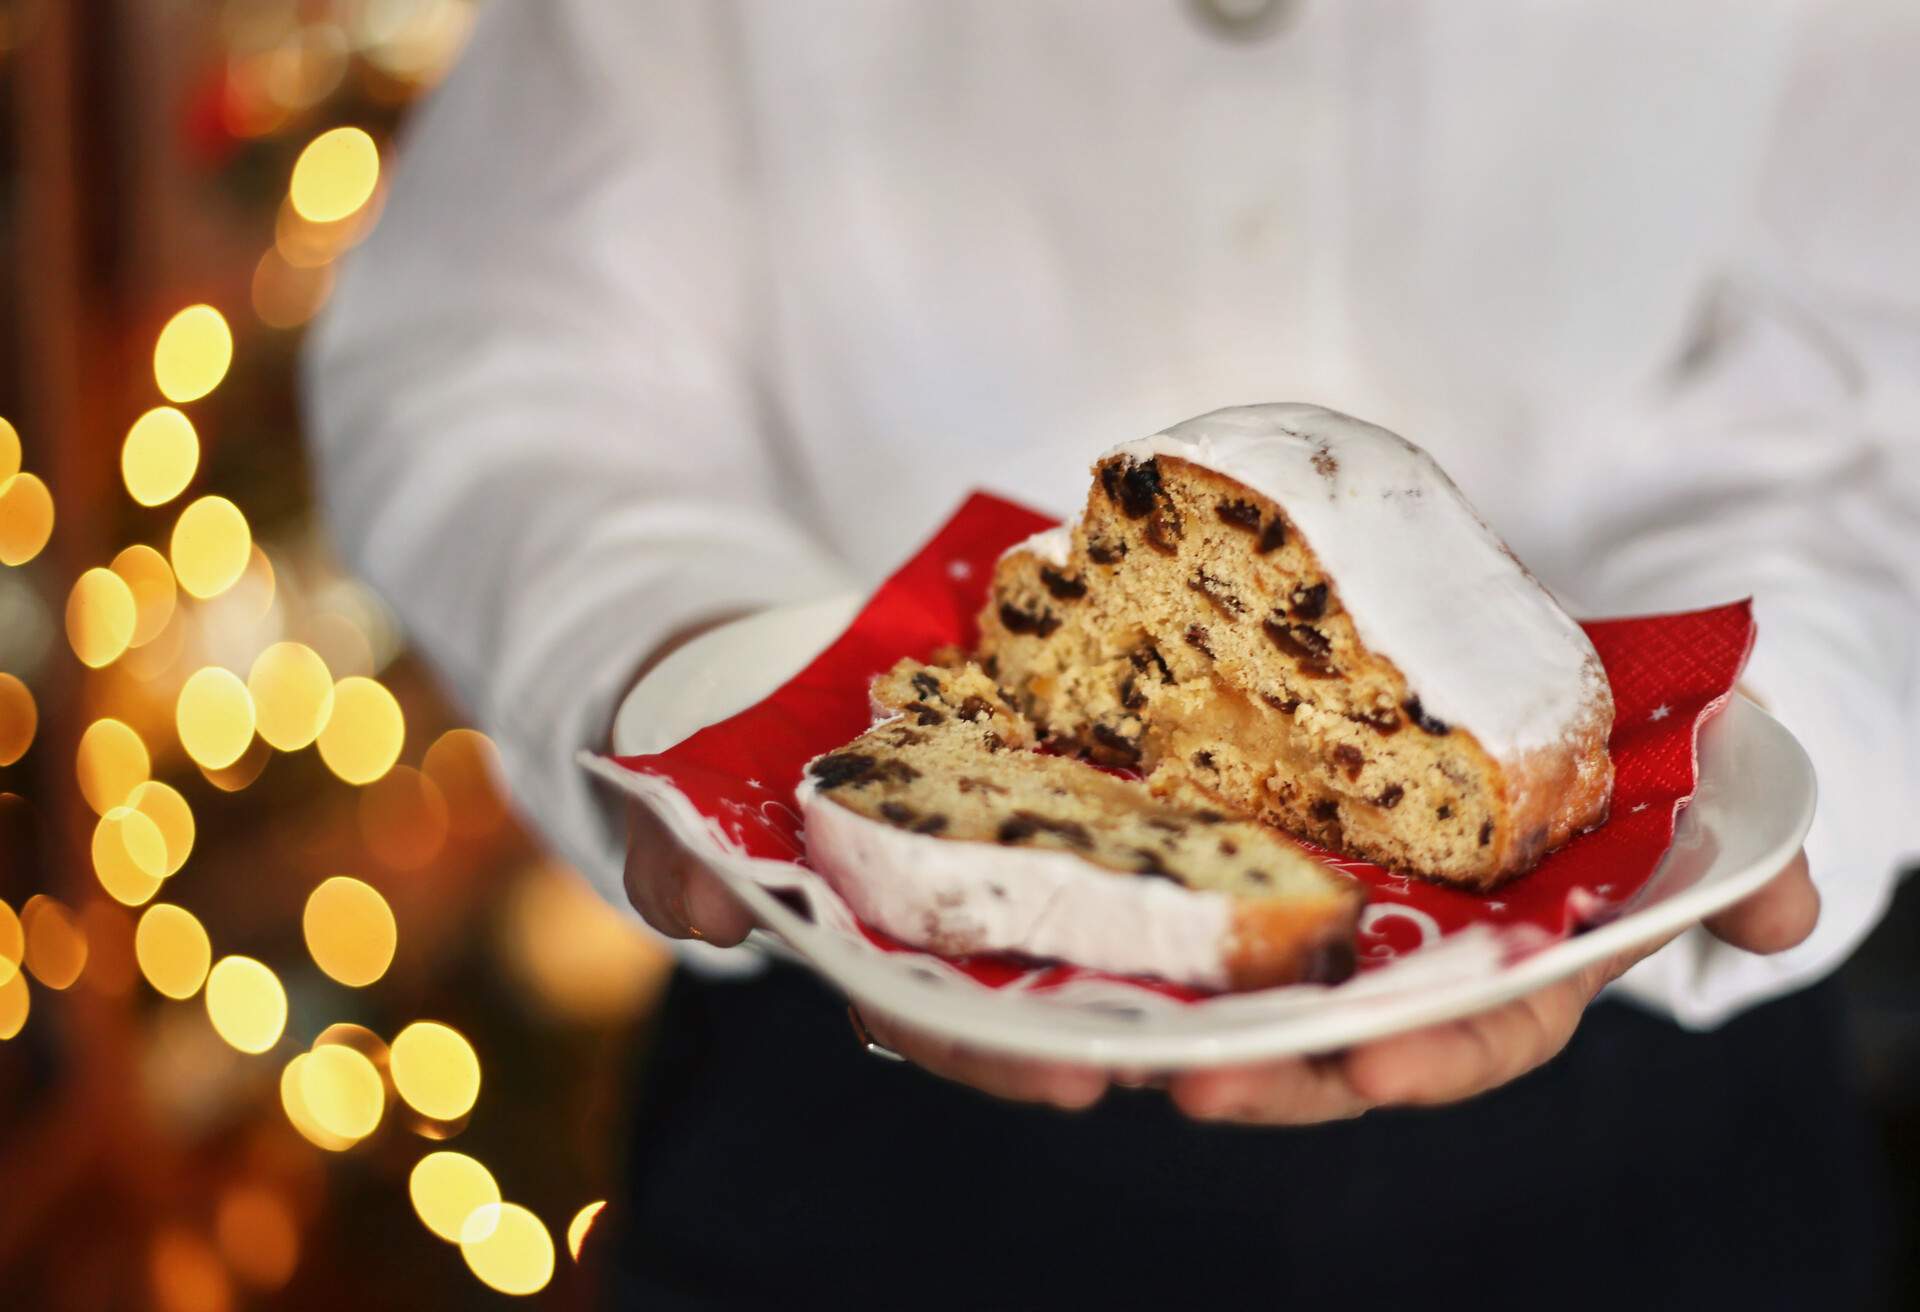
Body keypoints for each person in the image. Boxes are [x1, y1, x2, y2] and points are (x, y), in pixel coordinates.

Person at [306, 1, 1916, 1305]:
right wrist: (689, 661)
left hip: (1649, 1117)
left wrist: (1783, 725)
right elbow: (498, 346)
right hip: (849, 1039)